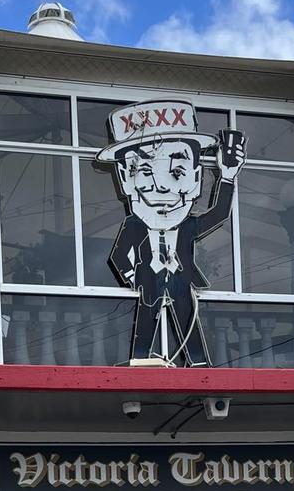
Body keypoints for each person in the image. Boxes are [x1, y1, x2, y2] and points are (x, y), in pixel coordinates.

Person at [97, 99, 246, 365]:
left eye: (177, 171)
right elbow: (119, 256)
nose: (162, 188)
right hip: (149, 282)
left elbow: (219, 214)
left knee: (187, 319)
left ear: (197, 177)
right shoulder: (134, 225)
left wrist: (227, 176)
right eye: (144, 171)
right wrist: (133, 278)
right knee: (144, 321)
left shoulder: (188, 225)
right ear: (124, 179)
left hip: (180, 280)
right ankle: (139, 359)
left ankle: (199, 363)